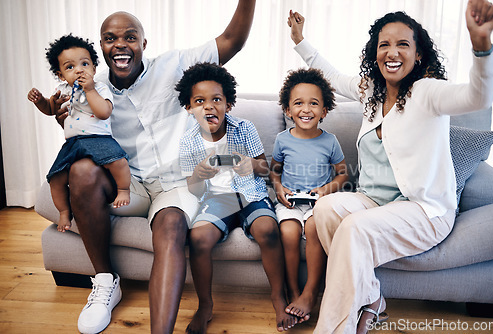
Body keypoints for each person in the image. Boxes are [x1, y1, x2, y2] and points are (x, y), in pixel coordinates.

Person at [287, 0, 493, 332]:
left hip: (423, 209)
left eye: (403, 44)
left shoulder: (427, 93)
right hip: (374, 201)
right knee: (326, 209)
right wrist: (300, 41)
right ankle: (371, 297)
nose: (392, 51)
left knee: (355, 229)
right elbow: (329, 74)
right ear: (375, 54)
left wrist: (481, 47)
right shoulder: (370, 91)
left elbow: (478, 96)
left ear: (418, 55)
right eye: (384, 44)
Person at [52, 2, 257, 333]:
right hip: (128, 185)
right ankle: (106, 281)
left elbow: (231, 40)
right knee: (81, 171)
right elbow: (77, 133)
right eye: (109, 38)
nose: (120, 44)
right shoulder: (93, 88)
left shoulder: (174, 64)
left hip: (177, 185)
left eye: (130, 37)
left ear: (144, 45)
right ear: (101, 47)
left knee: (173, 223)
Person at [176, 62, 297, 333]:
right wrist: (199, 174)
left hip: (250, 194)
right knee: (197, 238)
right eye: (200, 101)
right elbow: (193, 188)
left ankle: (278, 297)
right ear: (189, 107)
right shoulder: (188, 141)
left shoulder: (244, 128)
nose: (209, 106)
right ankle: (205, 305)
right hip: (216, 200)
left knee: (267, 229)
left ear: (228, 104)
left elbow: (266, 169)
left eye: (216, 99)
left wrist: (250, 165)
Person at [27, 34, 130, 233]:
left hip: (98, 139)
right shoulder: (62, 90)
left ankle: (123, 190)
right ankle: (64, 211)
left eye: (84, 63)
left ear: (94, 68)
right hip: (73, 143)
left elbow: (103, 112)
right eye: (70, 67)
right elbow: (50, 109)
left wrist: (90, 90)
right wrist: (40, 101)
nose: (79, 70)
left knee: (118, 161)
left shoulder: (100, 88)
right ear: (60, 75)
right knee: (55, 178)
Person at [269, 68, 348, 320]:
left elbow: (343, 174)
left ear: (324, 111)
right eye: (298, 103)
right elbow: (274, 171)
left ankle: (311, 291)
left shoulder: (330, 141)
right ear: (287, 110)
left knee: (314, 229)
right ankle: (294, 290)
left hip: (318, 204)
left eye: (314, 104)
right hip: (290, 203)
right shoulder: (282, 140)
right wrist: (279, 188)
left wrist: (326, 190)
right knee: (288, 233)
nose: (306, 109)